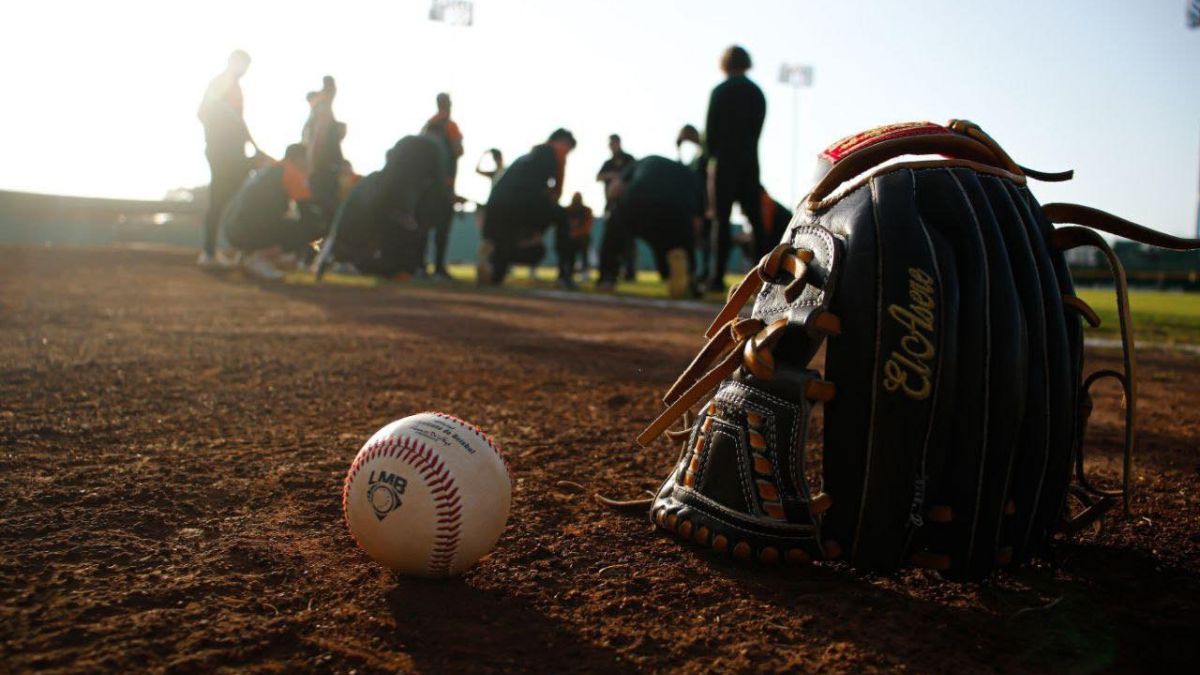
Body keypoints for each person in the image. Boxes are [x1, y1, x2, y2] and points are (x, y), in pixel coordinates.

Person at [314, 135, 451, 280]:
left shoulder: (376, 182)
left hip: (356, 246)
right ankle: (397, 267)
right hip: (359, 248)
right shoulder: (395, 188)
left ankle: (401, 267)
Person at [704, 45, 767, 292]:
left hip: (723, 163)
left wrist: (710, 158)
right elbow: (758, 130)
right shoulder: (757, 93)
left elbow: (710, 133)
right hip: (749, 162)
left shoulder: (720, 91)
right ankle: (764, 277)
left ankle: (716, 277)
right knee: (756, 221)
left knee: (721, 220)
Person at [597, 155, 704, 299]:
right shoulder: (689, 173)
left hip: (641, 201)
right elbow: (697, 221)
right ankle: (689, 278)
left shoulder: (642, 162)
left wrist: (612, 202)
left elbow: (615, 189)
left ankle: (607, 278)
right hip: (679, 213)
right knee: (675, 245)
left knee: (615, 224)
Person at [480, 129, 576, 285]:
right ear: (561, 143)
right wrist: (537, 231)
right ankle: (564, 274)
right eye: (567, 150)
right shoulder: (550, 153)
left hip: (495, 209)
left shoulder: (525, 157)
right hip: (521, 206)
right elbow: (555, 193)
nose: (566, 155)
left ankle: (494, 265)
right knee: (561, 218)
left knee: (505, 245)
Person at [220, 144, 326, 280]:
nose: (310, 164)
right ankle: (259, 258)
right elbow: (307, 214)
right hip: (248, 230)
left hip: (231, 230)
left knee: (274, 219)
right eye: (308, 159)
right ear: (298, 159)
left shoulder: (270, 168)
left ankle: (247, 255)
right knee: (312, 226)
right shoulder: (292, 173)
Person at [197, 49, 258, 269]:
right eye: (242, 64)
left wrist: (253, 145)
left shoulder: (235, 88)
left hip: (235, 152)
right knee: (218, 199)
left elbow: (239, 123)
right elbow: (203, 112)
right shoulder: (220, 83)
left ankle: (237, 249)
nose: (244, 70)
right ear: (232, 62)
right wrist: (217, 137)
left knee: (238, 198)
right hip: (221, 151)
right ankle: (209, 252)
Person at [418, 93, 464, 280]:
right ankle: (438, 268)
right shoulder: (450, 126)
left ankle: (419, 265)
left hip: (425, 184)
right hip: (444, 184)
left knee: (423, 226)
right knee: (442, 228)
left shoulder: (427, 125)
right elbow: (457, 150)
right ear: (449, 104)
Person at [596, 134, 637, 280]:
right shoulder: (608, 163)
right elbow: (598, 177)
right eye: (610, 144)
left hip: (628, 204)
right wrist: (612, 175)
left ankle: (630, 272)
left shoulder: (629, 159)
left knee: (628, 240)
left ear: (619, 143)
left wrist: (621, 179)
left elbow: (637, 174)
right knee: (610, 237)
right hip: (611, 204)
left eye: (614, 143)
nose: (612, 146)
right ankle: (609, 271)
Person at [677, 123, 712, 280]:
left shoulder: (706, 154)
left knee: (706, 239)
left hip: (707, 205)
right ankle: (696, 272)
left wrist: (701, 211)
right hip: (697, 205)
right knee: (698, 240)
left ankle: (706, 272)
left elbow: (703, 184)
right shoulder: (696, 157)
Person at [306, 76, 344, 219]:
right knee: (326, 208)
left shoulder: (319, 110)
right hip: (324, 166)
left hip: (323, 165)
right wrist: (312, 164)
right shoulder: (323, 108)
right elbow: (318, 137)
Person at [560, 192, 594, 286]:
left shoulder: (587, 210)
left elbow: (587, 226)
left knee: (584, 255)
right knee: (568, 256)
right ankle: (566, 275)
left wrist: (575, 233)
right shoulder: (568, 210)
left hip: (581, 239)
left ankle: (584, 274)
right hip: (569, 240)